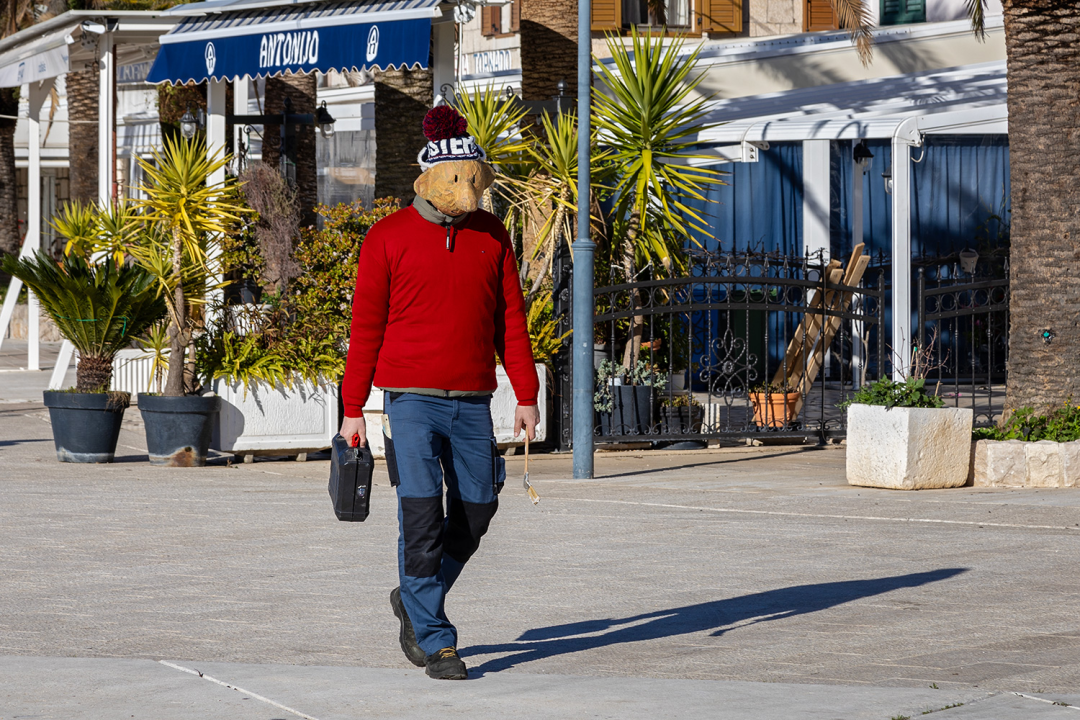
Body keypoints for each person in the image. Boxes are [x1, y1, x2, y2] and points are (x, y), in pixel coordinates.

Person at [339, 105, 539, 680]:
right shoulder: (386, 237)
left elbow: (512, 322)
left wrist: (525, 394)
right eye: (458, 178)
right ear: (428, 177)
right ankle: (437, 638)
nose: (468, 188)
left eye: (475, 177)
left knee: (479, 507)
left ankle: (414, 595)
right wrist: (353, 410)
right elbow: (365, 329)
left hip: (474, 399)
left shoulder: (492, 234)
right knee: (421, 515)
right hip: (411, 401)